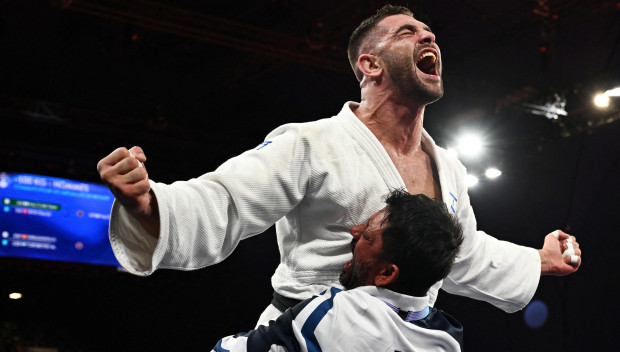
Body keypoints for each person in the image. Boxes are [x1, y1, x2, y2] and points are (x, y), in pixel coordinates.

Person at [96, 5, 581, 327]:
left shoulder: (449, 167)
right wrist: (149, 202)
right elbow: (227, 201)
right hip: (308, 342)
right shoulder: (311, 142)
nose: (427, 36)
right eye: (407, 32)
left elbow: (459, 252)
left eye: (429, 33)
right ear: (369, 65)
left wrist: (536, 260)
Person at [201, 190, 465, 352]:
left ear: (386, 274)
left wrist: (282, 320)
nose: (355, 231)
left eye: (368, 236)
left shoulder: (332, 313)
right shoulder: (450, 343)